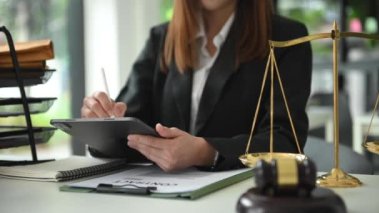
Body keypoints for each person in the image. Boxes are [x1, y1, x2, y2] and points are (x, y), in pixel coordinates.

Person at [81, 0, 312, 172]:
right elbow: (127, 130)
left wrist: (206, 152)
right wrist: (102, 126)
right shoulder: (161, 38)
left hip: (240, 196)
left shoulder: (287, 38)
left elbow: (285, 141)